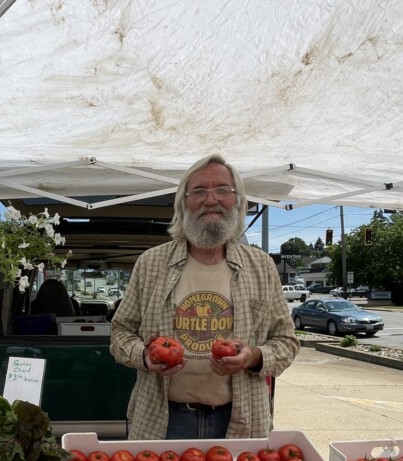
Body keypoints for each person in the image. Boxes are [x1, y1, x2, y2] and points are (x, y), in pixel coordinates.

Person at [110, 154, 300, 440]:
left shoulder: (261, 266)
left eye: (223, 190)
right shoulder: (151, 263)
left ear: (237, 201)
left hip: (241, 420)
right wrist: (145, 357)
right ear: (183, 203)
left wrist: (255, 356)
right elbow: (120, 333)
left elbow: (286, 341)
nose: (211, 200)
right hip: (163, 420)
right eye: (199, 191)